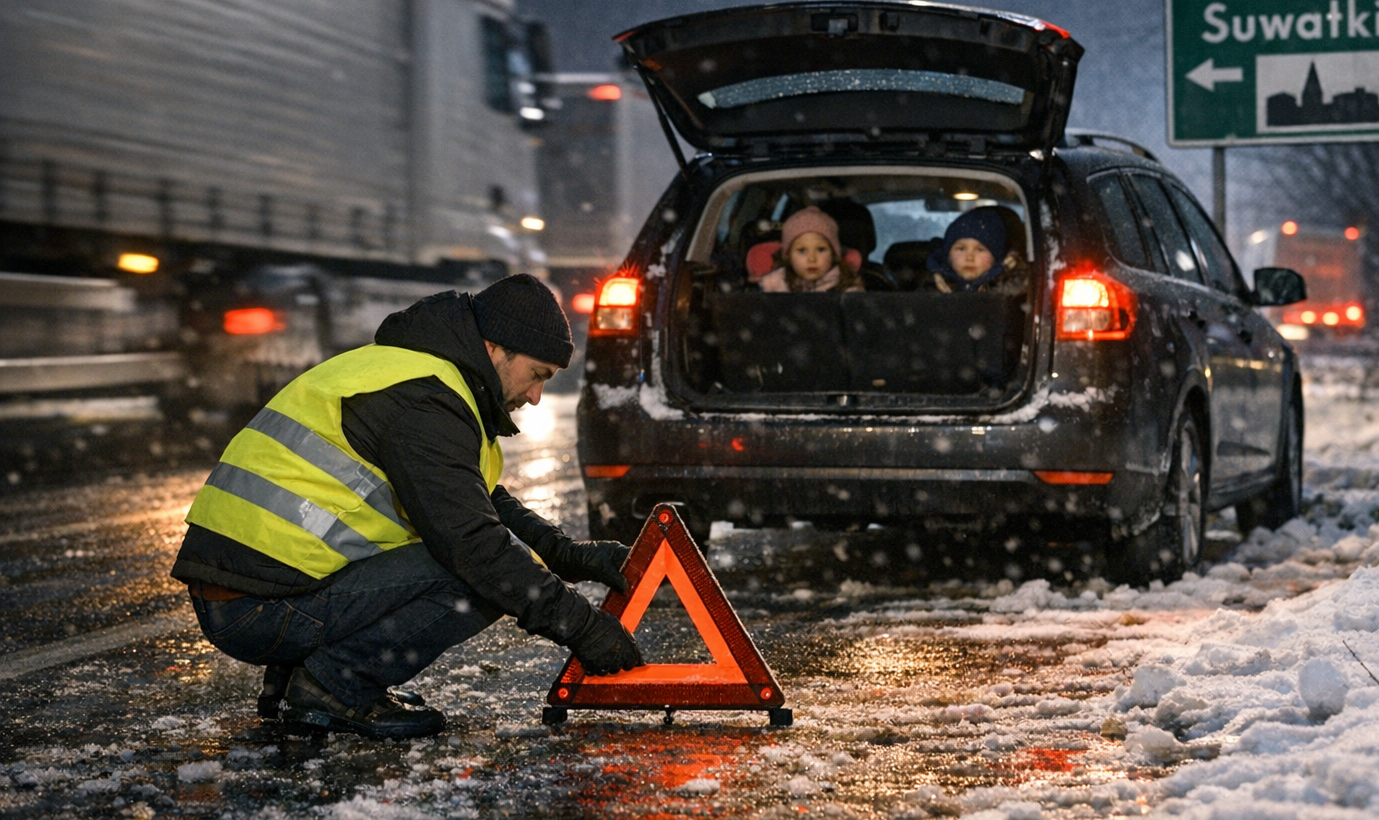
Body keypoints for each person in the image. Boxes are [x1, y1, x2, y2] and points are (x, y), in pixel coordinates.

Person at [170, 275, 643, 739]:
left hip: (249, 596)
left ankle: (301, 678)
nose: (536, 397)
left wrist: (565, 555)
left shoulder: (416, 375)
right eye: (537, 375)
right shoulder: (426, 403)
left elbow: (474, 499)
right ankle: (336, 685)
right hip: (258, 611)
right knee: (475, 574)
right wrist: (584, 629)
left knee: (477, 556)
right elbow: (473, 542)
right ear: (494, 347)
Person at [758, 206, 864, 293]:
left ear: (833, 254)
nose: (812, 259)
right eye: (802, 250)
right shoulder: (775, 289)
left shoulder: (847, 289)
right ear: (788, 256)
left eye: (821, 249)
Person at [927, 207, 1029, 293]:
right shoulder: (929, 285)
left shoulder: (1015, 287)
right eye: (961, 249)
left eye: (980, 250)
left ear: (996, 257)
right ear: (947, 254)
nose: (969, 257)